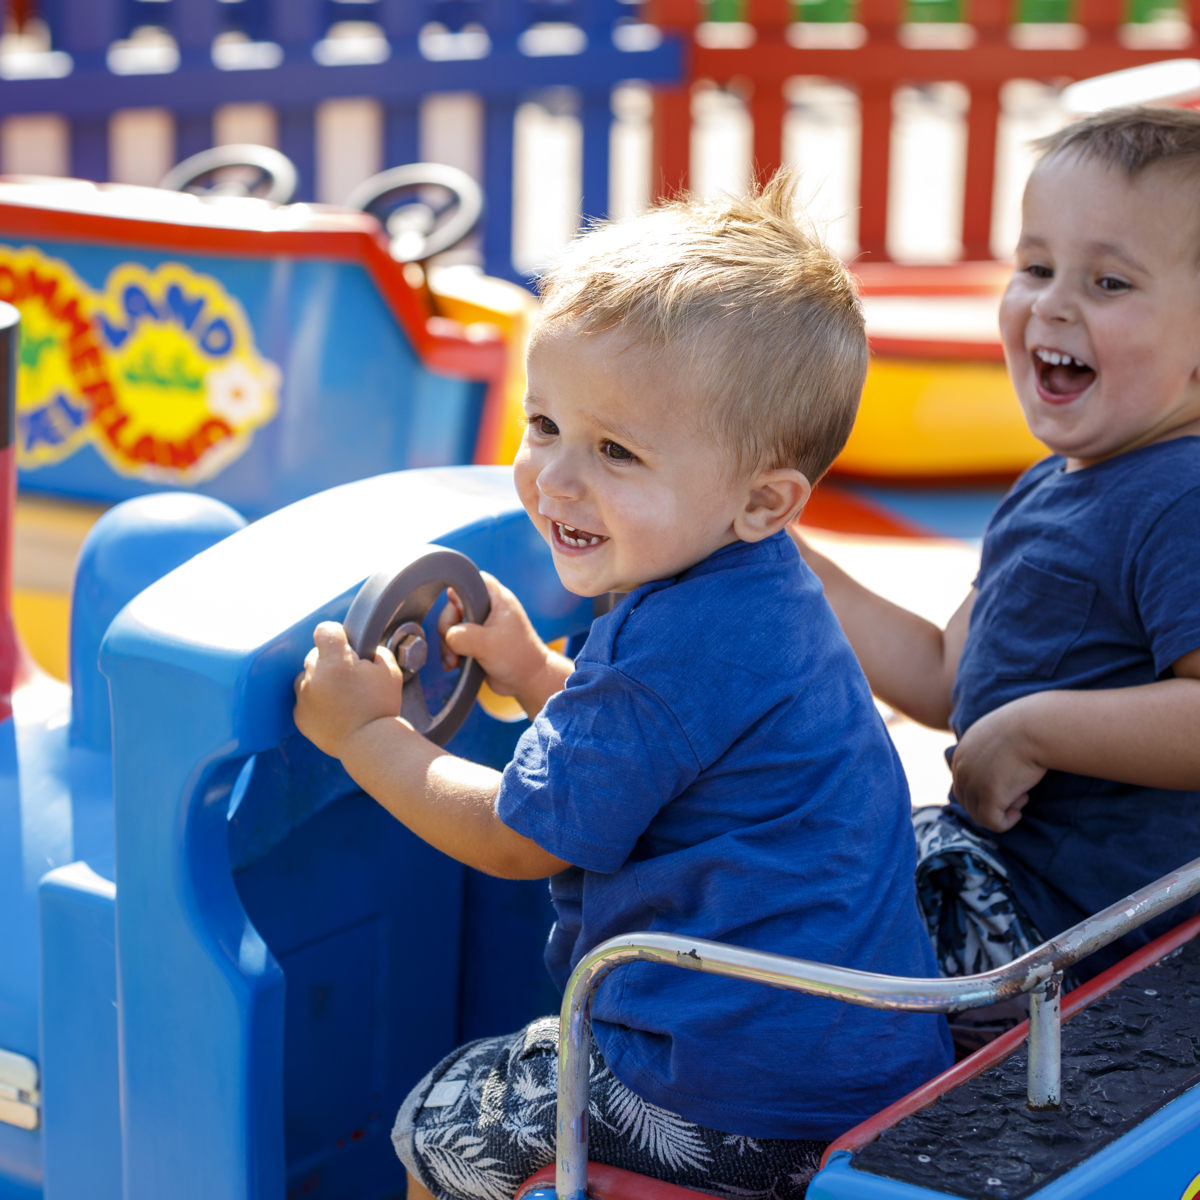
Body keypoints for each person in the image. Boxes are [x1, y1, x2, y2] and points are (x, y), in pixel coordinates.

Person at [294, 172, 952, 1200]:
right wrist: (531, 673)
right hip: (857, 1049)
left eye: (616, 450)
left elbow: (518, 837)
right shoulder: (753, 588)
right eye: (544, 423)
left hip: (724, 1092)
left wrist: (367, 736)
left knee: (440, 1119)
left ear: (763, 498)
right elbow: (671, 759)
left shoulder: (673, 640)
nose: (555, 479)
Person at [795, 104, 1200, 999]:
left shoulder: (1182, 494)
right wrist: (801, 571)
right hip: (1002, 899)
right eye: (1037, 267)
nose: (1052, 301)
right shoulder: (1057, 483)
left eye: (1110, 284)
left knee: (773, 885)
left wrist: (1036, 728)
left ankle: (702, 1103)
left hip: (1078, 946)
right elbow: (949, 678)